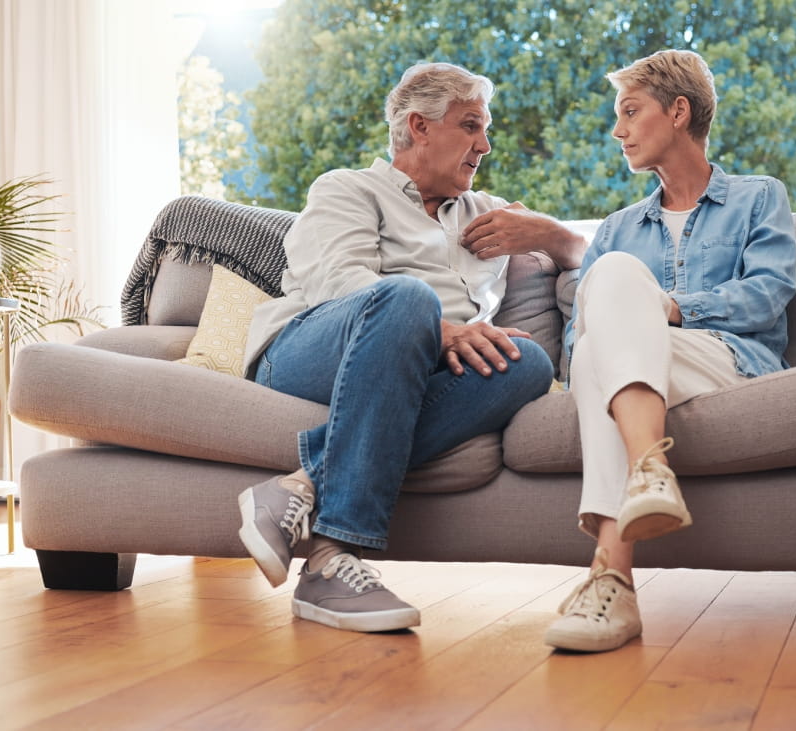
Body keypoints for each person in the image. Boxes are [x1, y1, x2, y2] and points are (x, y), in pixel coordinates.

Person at [236, 62, 578, 633]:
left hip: (421, 372)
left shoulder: (491, 213)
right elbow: (339, 285)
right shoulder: (347, 188)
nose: (485, 145)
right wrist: (443, 331)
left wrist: (552, 236)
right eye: (471, 126)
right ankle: (332, 557)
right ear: (418, 126)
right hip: (310, 351)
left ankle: (301, 486)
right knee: (408, 299)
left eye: (485, 130)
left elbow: (603, 262)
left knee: (529, 362)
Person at [541, 49, 796, 653]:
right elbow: (582, 336)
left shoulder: (759, 197)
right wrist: (624, 325)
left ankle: (610, 580)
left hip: (724, 359)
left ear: (679, 111)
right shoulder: (617, 228)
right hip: (631, 366)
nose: (617, 129)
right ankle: (647, 478)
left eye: (631, 111)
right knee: (609, 294)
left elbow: (767, 295)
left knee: (615, 319)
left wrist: (672, 309)